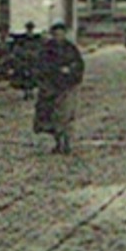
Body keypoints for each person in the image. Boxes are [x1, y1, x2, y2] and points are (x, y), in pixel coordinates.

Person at [33, 22, 85, 154]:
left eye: (61, 34)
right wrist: (54, 72)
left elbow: (79, 64)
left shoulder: (70, 48)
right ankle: (58, 142)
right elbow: (41, 65)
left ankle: (66, 143)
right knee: (53, 117)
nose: (59, 37)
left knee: (66, 115)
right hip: (51, 87)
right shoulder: (47, 49)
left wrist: (72, 71)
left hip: (68, 86)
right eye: (56, 34)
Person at [10, 21, 42, 100]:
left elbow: (39, 50)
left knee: (32, 77)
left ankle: (30, 91)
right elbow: (17, 50)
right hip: (24, 61)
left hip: (33, 62)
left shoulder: (36, 40)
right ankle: (26, 92)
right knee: (24, 76)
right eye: (28, 29)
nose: (29, 31)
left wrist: (34, 55)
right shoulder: (22, 40)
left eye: (31, 29)